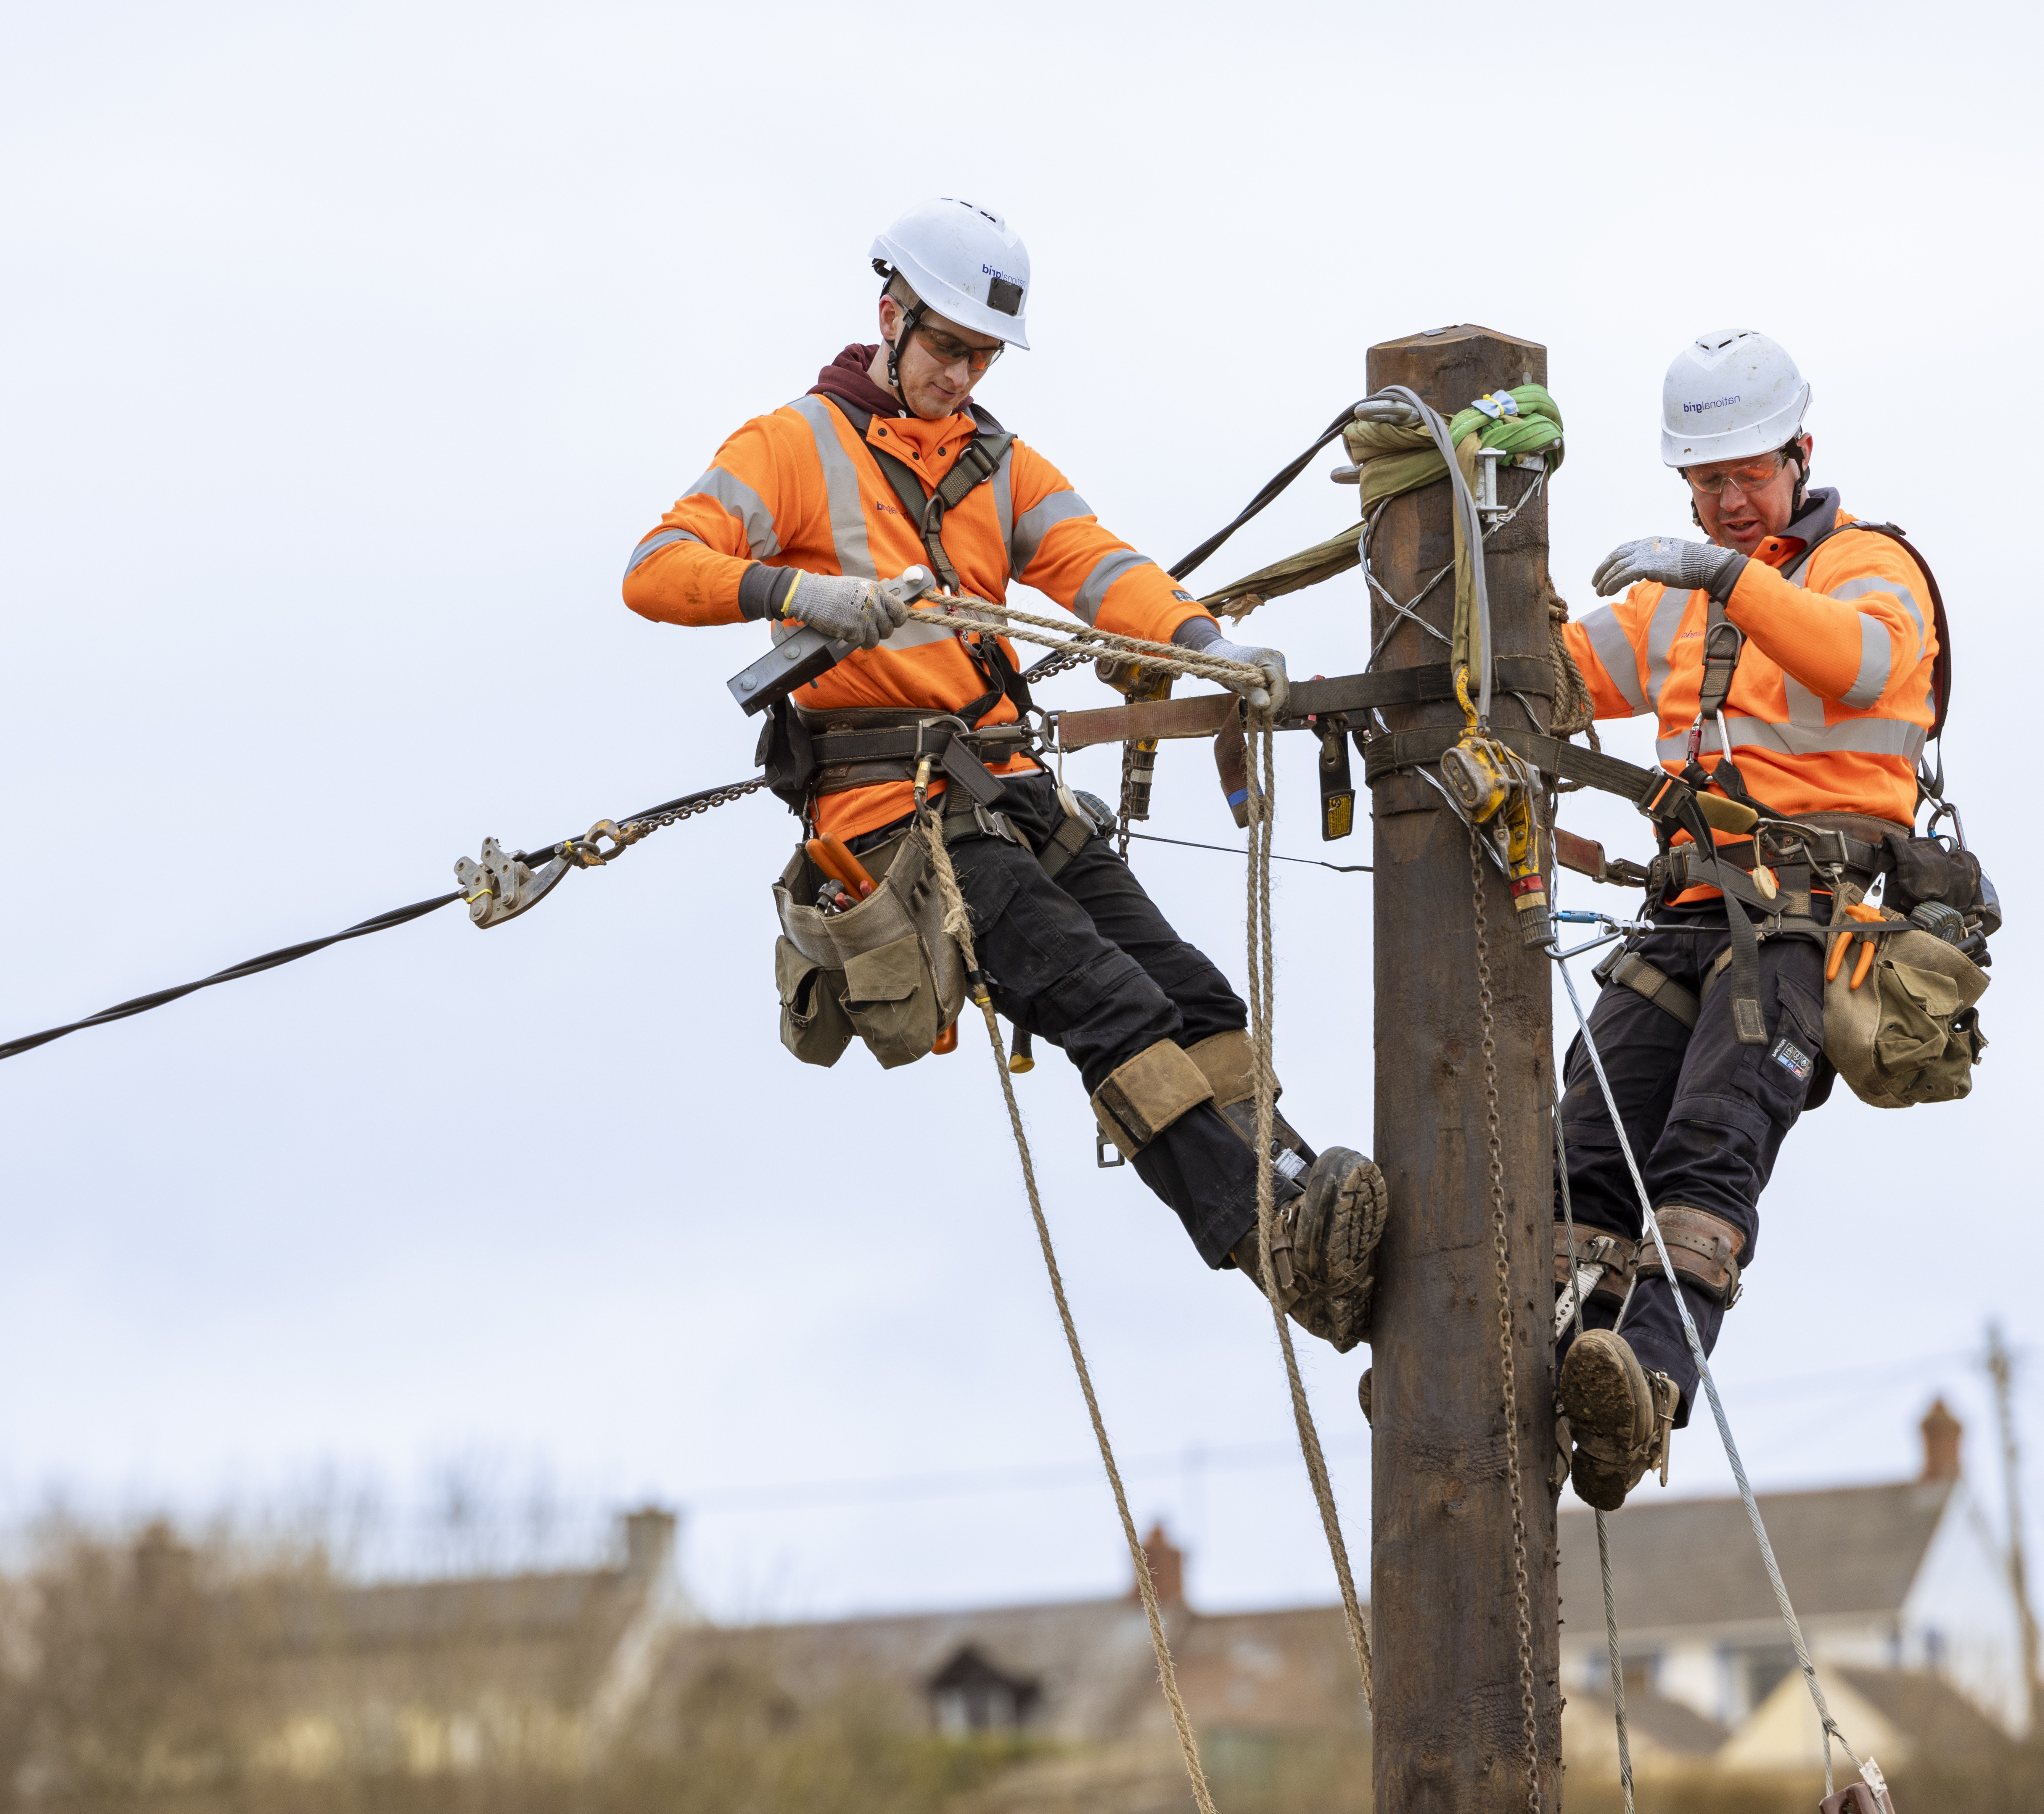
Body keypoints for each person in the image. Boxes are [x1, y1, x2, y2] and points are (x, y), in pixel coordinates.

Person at [620, 199, 1386, 1348]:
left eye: (983, 357)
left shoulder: (998, 463)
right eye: (948, 348)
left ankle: (1304, 1200)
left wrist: (1207, 648)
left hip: (1011, 793)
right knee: (1112, 1006)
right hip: (898, 821)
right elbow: (658, 567)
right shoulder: (791, 448)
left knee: (1195, 996)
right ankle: (1273, 1248)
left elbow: (1095, 564)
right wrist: (797, 591)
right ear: (892, 318)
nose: (964, 374)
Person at [1550, 328, 1943, 1508]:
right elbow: (1555, 677)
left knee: (1712, 1135)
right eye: (1706, 482)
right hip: (1683, 910)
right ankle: (1532, 1366)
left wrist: (1728, 578)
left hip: (1803, 917)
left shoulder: (1867, 567)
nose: (1726, 501)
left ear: (1799, 455)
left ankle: (1644, 1387)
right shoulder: (1679, 596)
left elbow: (1864, 664)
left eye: (1746, 476)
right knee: (1585, 1143)